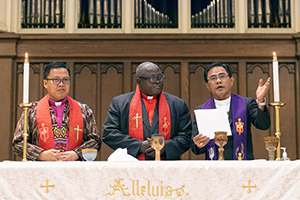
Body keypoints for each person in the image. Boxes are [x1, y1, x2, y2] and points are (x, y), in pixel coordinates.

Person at [12, 61, 101, 161]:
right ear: (45, 83)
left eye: (65, 80)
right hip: (41, 169)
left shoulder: (84, 110)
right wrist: (41, 154)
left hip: (75, 169)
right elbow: (18, 143)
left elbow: (95, 141)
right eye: (56, 80)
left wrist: (76, 154)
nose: (61, 84)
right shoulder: (32, 111)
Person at [102, 62, 192, 160]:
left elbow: (186, 136)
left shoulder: (177, 104)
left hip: (167, 166)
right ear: (139, 81)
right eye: (152, 79)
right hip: (131, 165)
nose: (157, 82)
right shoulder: (120, 103)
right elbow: (109, 133)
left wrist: (164, 147)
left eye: (159, 78)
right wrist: (138, 146)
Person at [192, 62, 271, 160]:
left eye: (222, 76)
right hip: (214, 168)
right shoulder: (202, 111)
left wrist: (260, 101)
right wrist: (198, 144)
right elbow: (196, 149)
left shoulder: (246, 104)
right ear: (207, 86)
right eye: (213, 78)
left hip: (243, 166)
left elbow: (263, 125)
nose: (218, 81)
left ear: (231, 80)